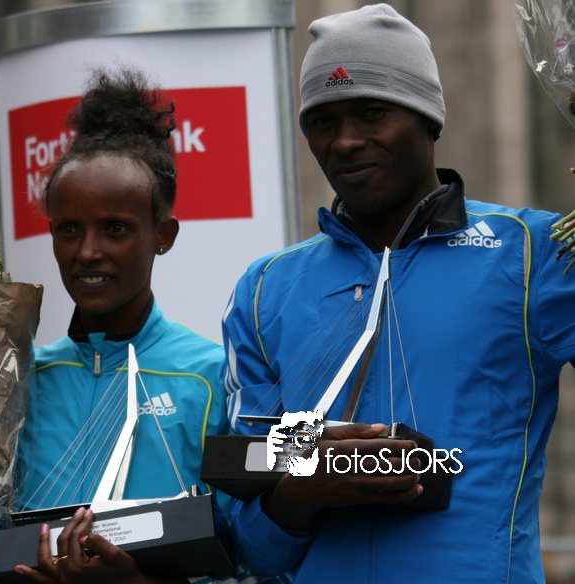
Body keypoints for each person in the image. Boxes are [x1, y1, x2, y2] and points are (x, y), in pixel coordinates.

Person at [222, 3, 575, 583]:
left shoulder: (534, 252)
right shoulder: (264, 291)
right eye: (322, 121)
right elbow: (252, 549)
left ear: (429, 118)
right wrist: (301, 493)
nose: (345, 141)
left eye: (372, 113)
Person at [0, 68, 271, 584]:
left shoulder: (214, 378)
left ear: (164, 235)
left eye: (115, 228)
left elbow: (259, 560)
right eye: (69, 229)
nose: (87, 251)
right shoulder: (9, 385)